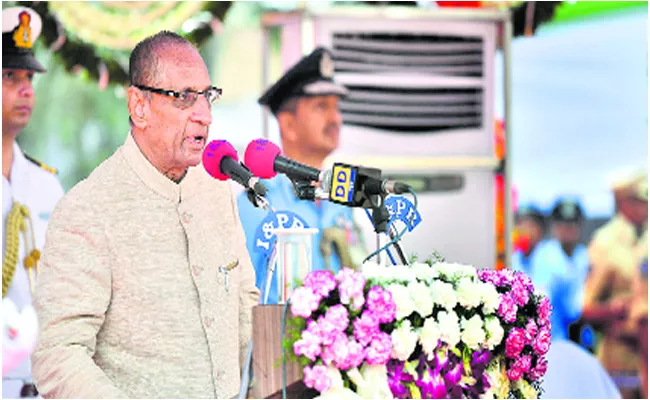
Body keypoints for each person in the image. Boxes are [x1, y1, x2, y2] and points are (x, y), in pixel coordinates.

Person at [30, 31, 259, 399]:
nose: (204, 115)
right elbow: (57, 354)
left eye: (207, 96)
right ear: (139, 106)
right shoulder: (88, 209)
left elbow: (245, 305)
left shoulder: (216, 189)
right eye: (185, 97)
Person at [237, 47, 369, 304]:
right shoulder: (258, 203)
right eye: (321, 107)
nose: (336, 119)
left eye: (336, 107)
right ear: (288, 125)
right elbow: (243, 302)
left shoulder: (340, 198)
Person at [2, 6, 64, 399]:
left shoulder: (46, 186)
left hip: (40, 385)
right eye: (10, 77)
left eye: (29, 79)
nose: (27, 90)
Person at [582, 168, 647, 399]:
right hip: (619, 363)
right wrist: (614, 309)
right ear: (624, 203)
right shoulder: (605, 243)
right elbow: (587, 307)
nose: (646, 207)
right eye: (640, 201)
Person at [546, 198, 591, 344]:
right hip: (553, 341)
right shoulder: (545, 256)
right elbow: (572, 310)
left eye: (573, 223)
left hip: (583, 340)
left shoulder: (584, 255)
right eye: (563, 224)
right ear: (554, 227)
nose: (568, 229)